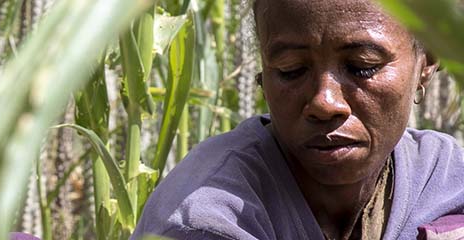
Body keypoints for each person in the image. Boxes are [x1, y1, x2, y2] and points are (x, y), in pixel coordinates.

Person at [131, 0, 464, 239]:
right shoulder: (203, 221)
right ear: (263, 75)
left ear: (427, 61)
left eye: (363, 65)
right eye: (292, 70)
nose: (324, 102)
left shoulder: (447, 180)